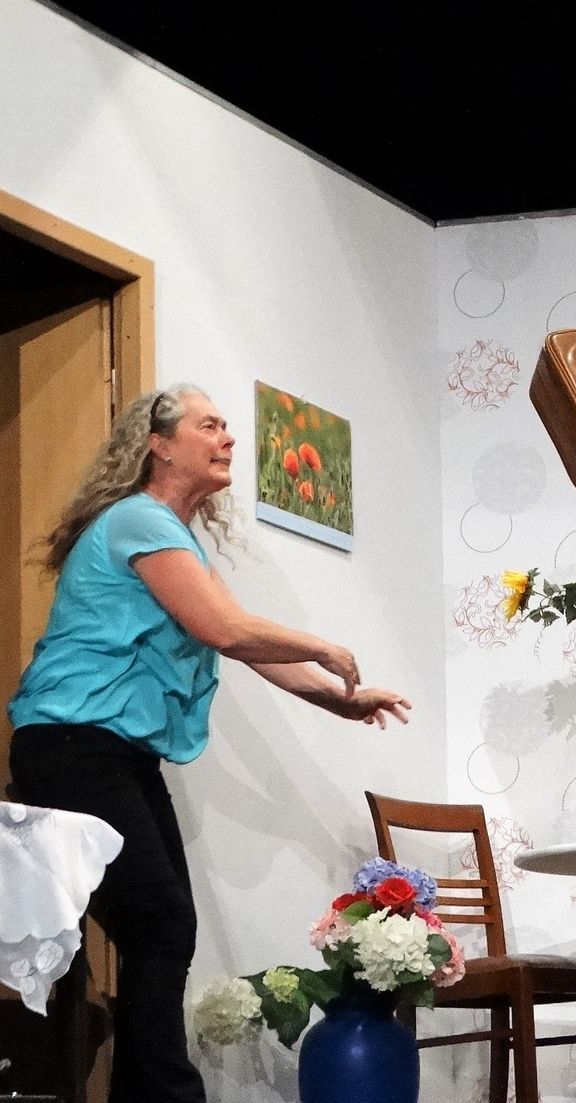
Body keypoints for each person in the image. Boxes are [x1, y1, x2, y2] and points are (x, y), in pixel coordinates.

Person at [7, 385, 411, 1103]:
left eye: (227, 426)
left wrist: (340, 701)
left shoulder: (175, 537)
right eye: (209, 425)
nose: (227, 438)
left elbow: (241, 638)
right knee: (160, 924)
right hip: (73, 746)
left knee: (163, 929)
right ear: (159, 445)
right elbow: (225, 630)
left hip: (114, 754)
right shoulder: (137, 518)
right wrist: (322, 645)